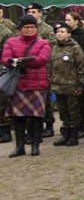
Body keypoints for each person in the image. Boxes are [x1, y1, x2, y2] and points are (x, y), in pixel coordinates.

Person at [3, 15, 51, 156]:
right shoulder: (11, 42)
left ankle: (35, 146)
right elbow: (6, 59)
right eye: (26, 27)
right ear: (20, 29)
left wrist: (22, 61)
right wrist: (17, 61)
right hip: (18, 84)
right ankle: (20, 147)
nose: (29, 30)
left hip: (37, 85)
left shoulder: (43, 43)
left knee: (36, 117)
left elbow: (42, 59)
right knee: (18, 118)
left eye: (32, 27)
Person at [49, 22, 84, 147]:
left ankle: (73, 135)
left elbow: (81, 66)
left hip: (71, 85)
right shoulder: (53, 47)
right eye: (57, 32)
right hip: (57, 85)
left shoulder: (74, 47)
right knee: (62, 111)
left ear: (69, 34)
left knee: (72, 111)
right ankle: (65, 134)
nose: (59, 34)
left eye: (62, 32)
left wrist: (80, 84)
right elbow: (50, 66)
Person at [26, 3, 56, 138]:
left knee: (46, 98)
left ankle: (49, 124)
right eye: (29, 12)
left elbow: (51, 47)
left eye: (33, 12)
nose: (31, 14)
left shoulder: (47, 29)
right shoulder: (24, 28)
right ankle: (31, 127)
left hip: (44, 67)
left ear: (40, 13)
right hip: (28, 69)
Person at [0, 16, 15, 143]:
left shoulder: (5, 32)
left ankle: (5, 130)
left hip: (2, 69)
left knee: (2, 102)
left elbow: (7, 53)